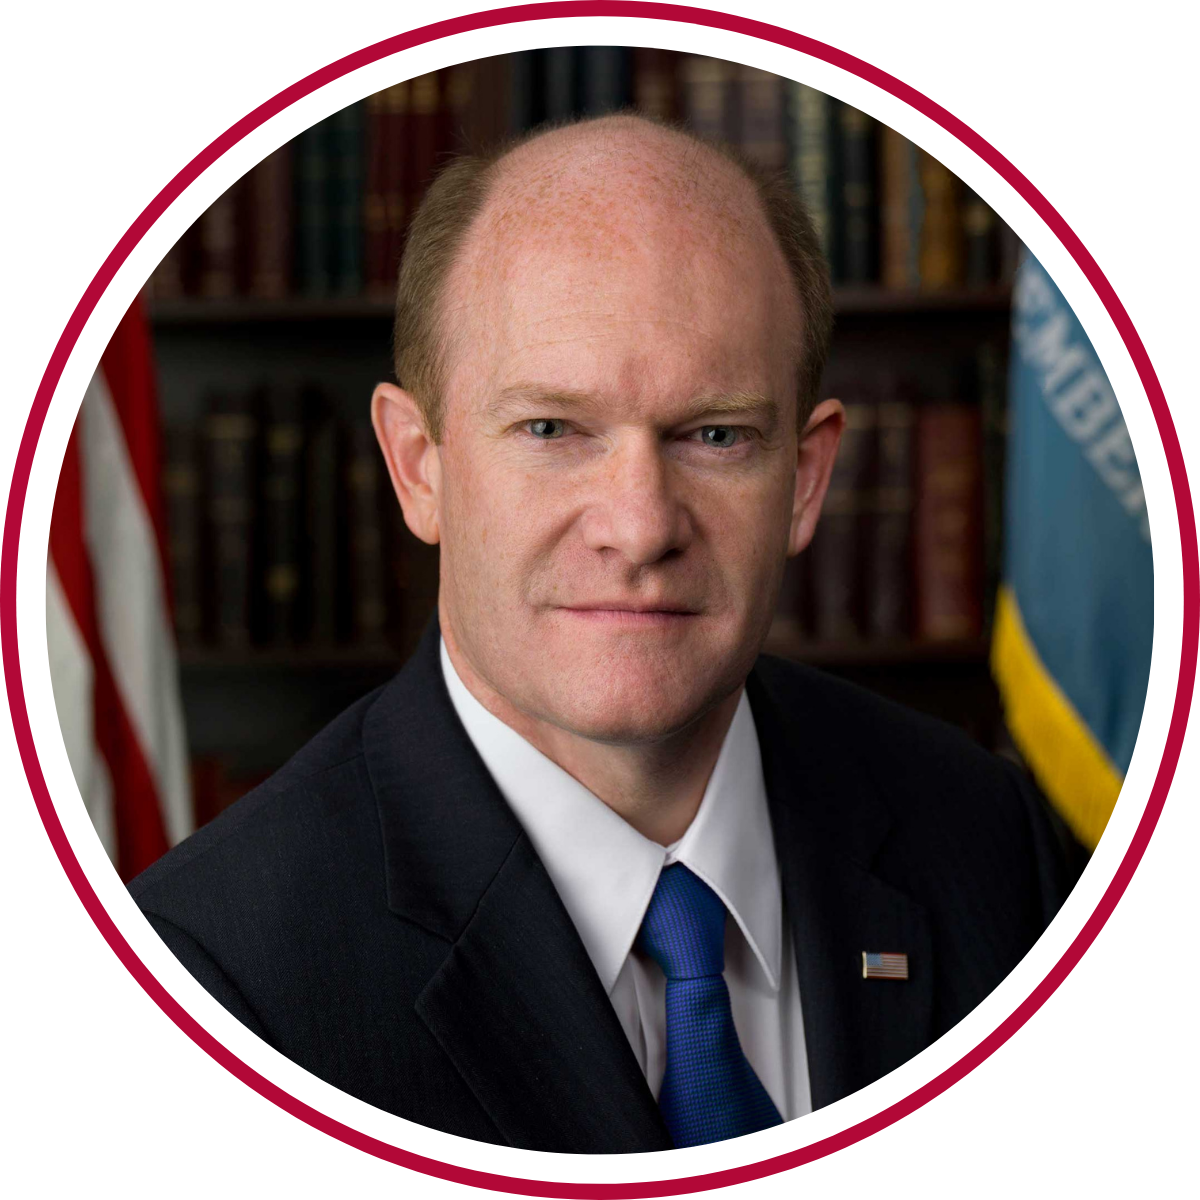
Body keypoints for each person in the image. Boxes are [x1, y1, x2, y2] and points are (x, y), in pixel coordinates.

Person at [130, 111, 1070, 1153]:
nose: (639, 526)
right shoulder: (218, 971)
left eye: (714, 435)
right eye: (551, 430)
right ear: (417, 466)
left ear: (805, 481)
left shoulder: (989, 842)